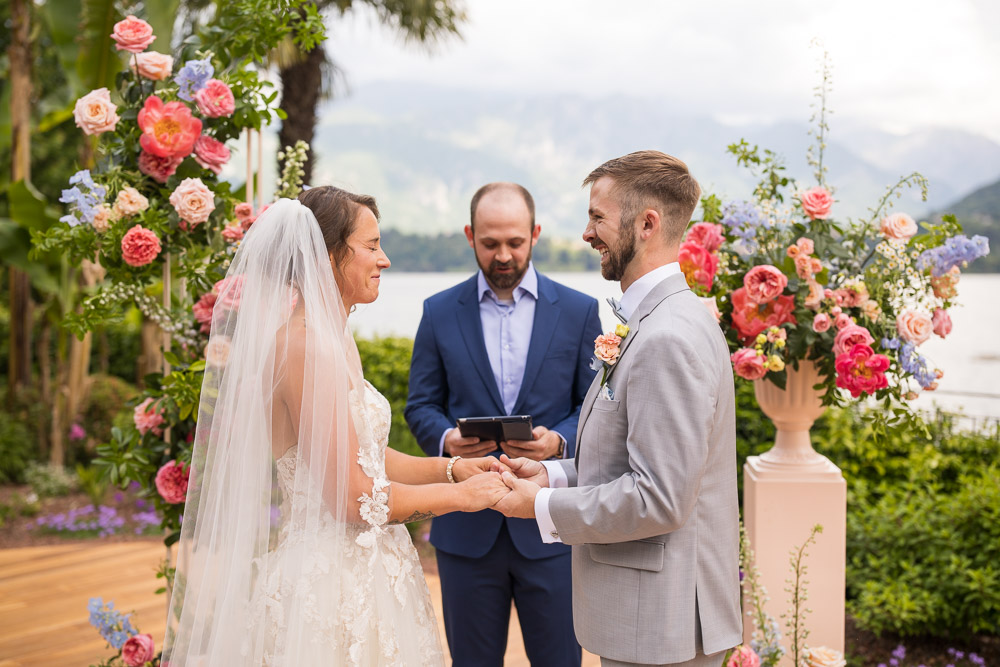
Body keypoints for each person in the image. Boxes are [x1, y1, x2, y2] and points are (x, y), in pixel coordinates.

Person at [162, 187, 511, 666]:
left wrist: (451, 470)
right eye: (371, 245)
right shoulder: (305, 347)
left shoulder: (333, 337)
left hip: (371, 573)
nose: (384, 259)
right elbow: (352, 499)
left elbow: (363, 454)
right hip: (329, 591)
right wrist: (464, 499)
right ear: (328, 255)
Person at [494, 152, 743, 667]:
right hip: (653, 618)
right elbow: (630, 459)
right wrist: (551, 475)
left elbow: (658, 498)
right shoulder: (663, 318)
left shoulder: (667, 336)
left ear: (647, 224)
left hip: (661, 623)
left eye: (597, 217)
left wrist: (539, 506)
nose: (587, 234)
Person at [405, 182, 602, 666]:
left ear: (535, 234)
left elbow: (596, 405)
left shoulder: (579, 311)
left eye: (515, 242)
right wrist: (448, 439)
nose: (503, 256)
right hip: (465, 531)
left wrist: (559, 441)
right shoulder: (437, 312)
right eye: (490, 243)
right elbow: (420, 404)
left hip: (552, 527)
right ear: (469, 235)